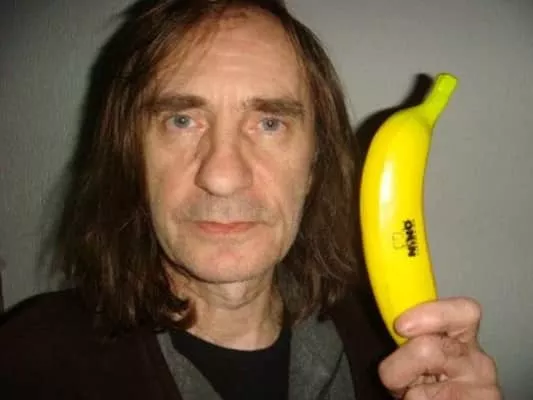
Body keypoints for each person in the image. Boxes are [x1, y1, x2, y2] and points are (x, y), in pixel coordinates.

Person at [0, 0, 501, 399]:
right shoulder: (29, 362)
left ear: (315, 164)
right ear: (131, 155)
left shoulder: (387, 347)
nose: (222, 177)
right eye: (181, 120)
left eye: (270, 123)